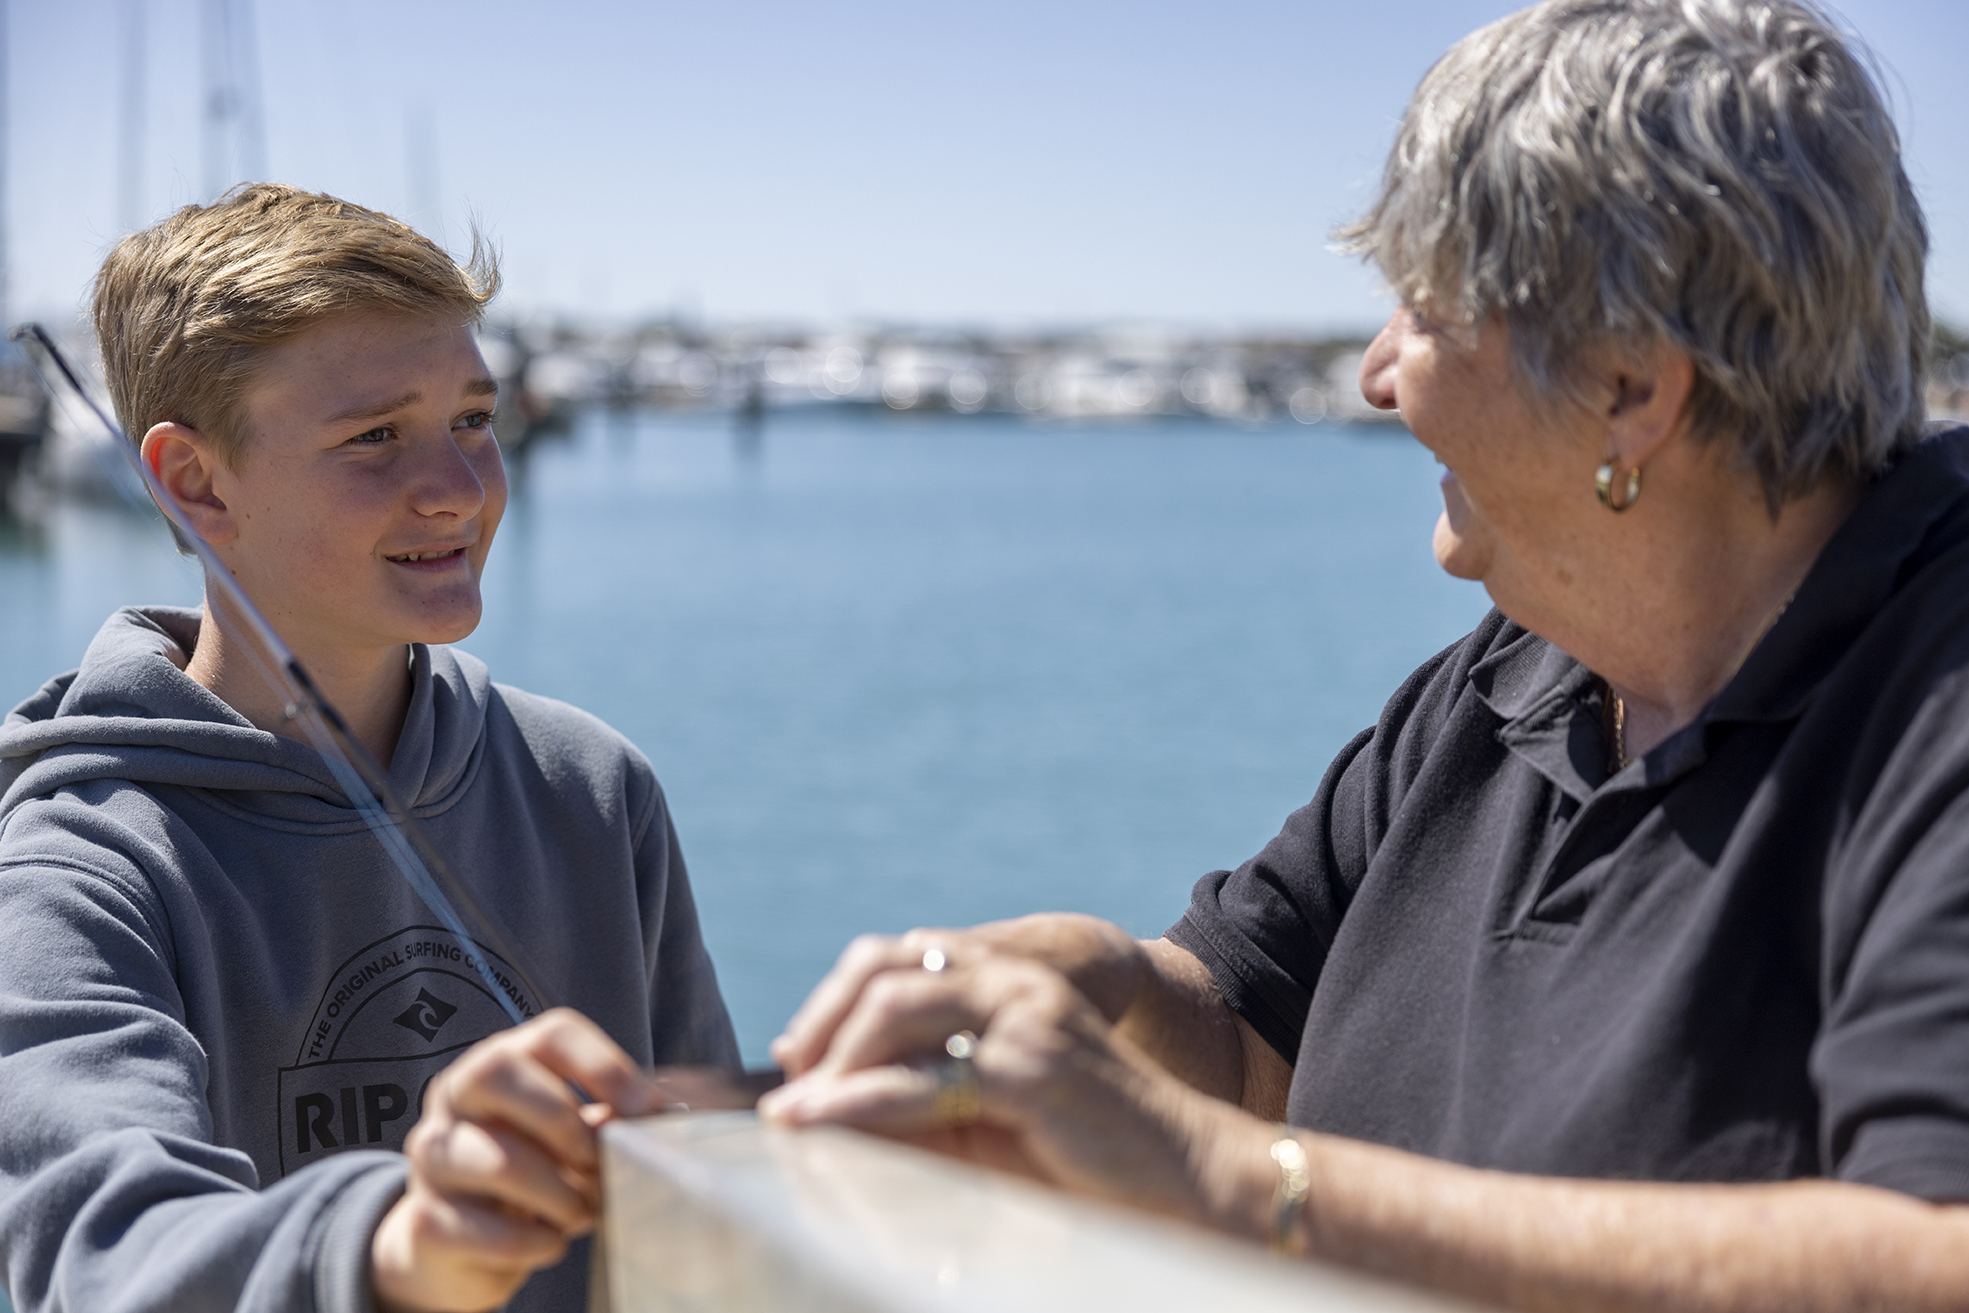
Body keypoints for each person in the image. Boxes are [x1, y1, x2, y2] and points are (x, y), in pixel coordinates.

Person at [760, 0, 1969, 1307]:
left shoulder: (1933, 701)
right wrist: (1094, 984)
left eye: (1426, 306)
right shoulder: (1516, 674)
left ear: (1631, 384)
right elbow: (1242, 1037)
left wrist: (1231, 1184)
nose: (1376, 374)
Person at [0, 185, 738, 1313]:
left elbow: (714, 1183)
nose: (457, 490)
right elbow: (101, 1252)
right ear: (196, 481)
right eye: (375, 436)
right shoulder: (71, 872)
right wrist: (401, 1242)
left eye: (475, 422)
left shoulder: (591, 784)